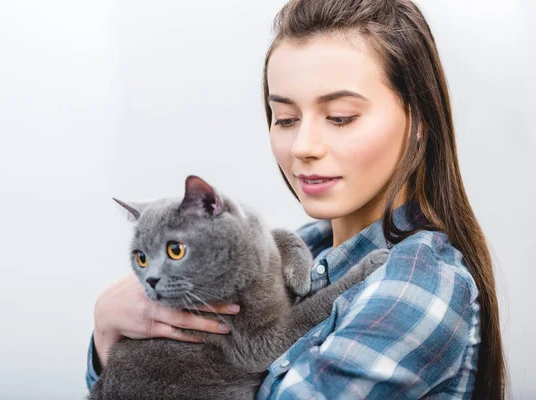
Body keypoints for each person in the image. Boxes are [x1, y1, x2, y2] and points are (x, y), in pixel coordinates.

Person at [86, 0, 507, 398]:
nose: (303, 146)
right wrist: (106, 333)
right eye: (285, 119)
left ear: (419, 120)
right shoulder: (306, 247)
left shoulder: (418, 283)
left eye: (340, 117)